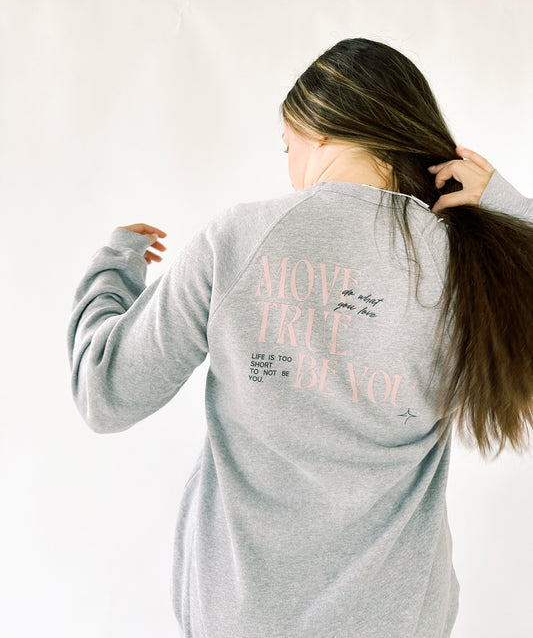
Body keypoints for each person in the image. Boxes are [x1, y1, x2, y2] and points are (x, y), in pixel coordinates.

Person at [67, 37, 533, 638]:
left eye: (287, 147)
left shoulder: (236, 240)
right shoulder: (465, 264)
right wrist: (511, 209)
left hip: (242, 619)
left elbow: (105, 394)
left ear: (319, 132)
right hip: (400, 619)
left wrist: (114, 267)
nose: (290, 168)